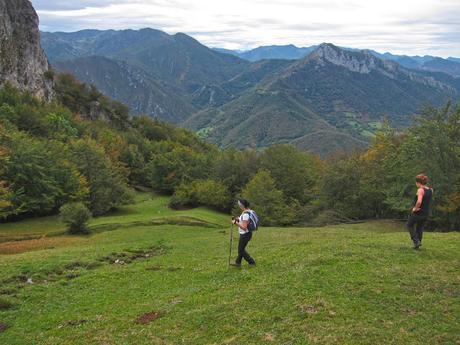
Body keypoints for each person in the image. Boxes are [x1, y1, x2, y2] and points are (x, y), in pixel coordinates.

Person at [407, 174, 433, 249]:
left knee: (409, 225)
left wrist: (415, 208)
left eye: (416, 182)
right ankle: (418, 244)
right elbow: (427, 201)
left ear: (418, 182)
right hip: (425, 213)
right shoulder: (431, 190)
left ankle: (416, 241)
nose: (416, 184)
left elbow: (419, 202)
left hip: (418, 212)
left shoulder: (420, 190)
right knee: (420, 227)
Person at [230, 199, 256, 267]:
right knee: (241, 249)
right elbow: (244, 222)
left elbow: (244, 227)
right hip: (246, 234)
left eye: (240, 205)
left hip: (245, 234)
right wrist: (239, 219)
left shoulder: (245, 214)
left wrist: (235, 223)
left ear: (242, 205)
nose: (239, 206)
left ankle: (251, 262)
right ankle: (238, 262)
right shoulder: (247, 211)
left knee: (240, 250)